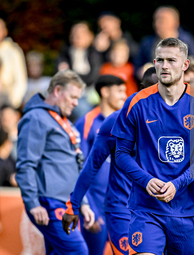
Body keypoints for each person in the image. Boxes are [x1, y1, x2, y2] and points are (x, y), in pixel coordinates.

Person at [111, 37, 194, 254]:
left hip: (188, 209)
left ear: (185, 65)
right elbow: (122, 154)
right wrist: (147, 181)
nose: (164, 66)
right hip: (147, 208)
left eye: (171, 60)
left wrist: (177, 184)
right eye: (160, 60)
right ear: (154, 63)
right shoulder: (136, 102)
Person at [15, 69, 95, 255]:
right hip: (50, 203)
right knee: (78, 251)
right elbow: (26, 164)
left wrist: (82, 202)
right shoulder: (36, 117)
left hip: (67, 203)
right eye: (73, 97)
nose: (76, 103)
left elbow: (74, 166)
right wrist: (33, 203)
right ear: (57, 91)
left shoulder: (63, 120)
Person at [72, 75, 127, 255]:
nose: (124, 96)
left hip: (121, 207)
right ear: (104, 92)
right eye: (119, 91)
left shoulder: (126, 121)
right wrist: (90, 209)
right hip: (96, 208)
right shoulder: (86, 123)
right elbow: (80, 168)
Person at [134, 6, 194, 79]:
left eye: (162, 20)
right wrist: (141, 71)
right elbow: (137, 65)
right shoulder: (147, 42)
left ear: (176, 22)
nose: (157, 24)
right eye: (156, 20)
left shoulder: (187, 41)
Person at [55, 21, 102, 121]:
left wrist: (70, 72)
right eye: (74, 33)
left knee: (82, 110)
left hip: (88, 95)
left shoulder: (94, 53)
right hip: (66, 94)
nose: (77, 36)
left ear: (90, 36)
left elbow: (91, 78)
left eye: (82, 33)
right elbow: (59, 76)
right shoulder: (65, 53)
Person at [0, 18, 27, 108]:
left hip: (7, 101)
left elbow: (20, 79)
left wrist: (13, 103)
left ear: (5, 31)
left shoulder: (13, 52)